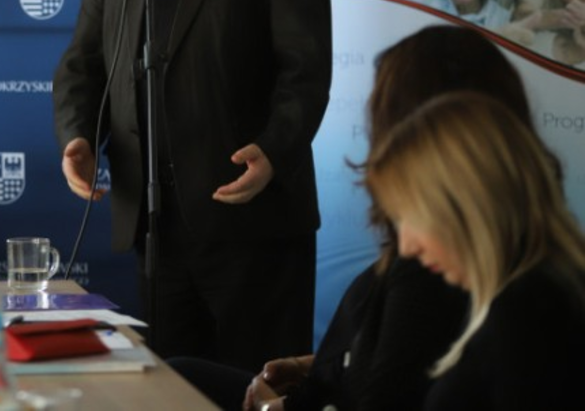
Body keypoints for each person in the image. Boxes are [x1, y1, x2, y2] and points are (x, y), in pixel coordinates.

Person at [53, 0, 332, 370]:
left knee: (260, 388)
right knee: (174, 391)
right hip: (156, 228)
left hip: (253, 220)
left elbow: (305, 67)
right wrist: (78, 136)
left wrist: (274, 150)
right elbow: (85, 63)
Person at [174, 24, 536, 410]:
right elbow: (389, 358)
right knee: (179, 374)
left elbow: (383, 391)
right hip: (316, 388)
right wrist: (309, 366)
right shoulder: (492, 244)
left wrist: (273, 409)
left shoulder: (430, 269)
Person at [365, 91, 585, 409]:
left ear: (466, 203)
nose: (407, 247)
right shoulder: (542, 290)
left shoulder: (527, 314)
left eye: (409, 216)